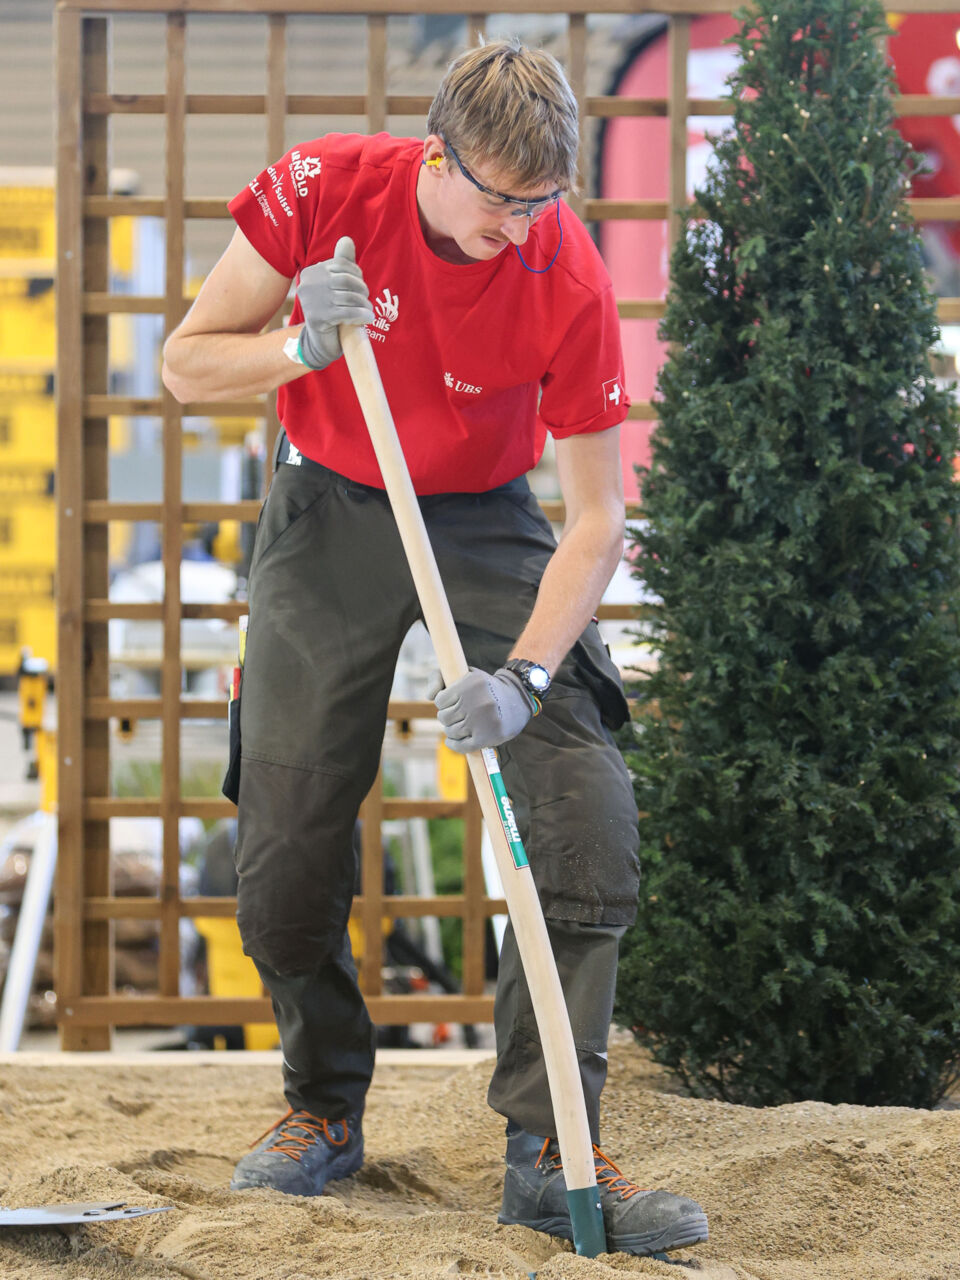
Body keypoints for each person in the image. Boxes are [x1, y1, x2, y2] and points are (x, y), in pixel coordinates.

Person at [162, 38, 708, 1258]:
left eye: (542, 200)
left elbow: (597, 519)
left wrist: (522, 681)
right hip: (332, 501)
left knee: (579, 802)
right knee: (289, 824)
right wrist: (298, 347)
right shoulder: (323, 191)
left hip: (490, 516)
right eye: (498, 198)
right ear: (436, 153)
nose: (520, 226)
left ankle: (547, 1141)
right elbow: (186, 363)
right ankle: (322, 1102)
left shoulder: (560, 271)